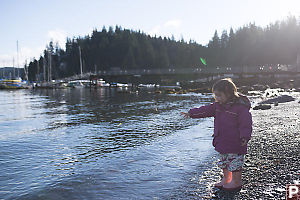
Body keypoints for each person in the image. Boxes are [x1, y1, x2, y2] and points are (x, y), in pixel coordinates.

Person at [181, 78, 252, 191]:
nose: (217, 98)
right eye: (215, 95)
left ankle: (236, 181)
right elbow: (204, 110)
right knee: (224, 162)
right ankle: (226, 179)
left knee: (235, 164)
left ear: (228, 93)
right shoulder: (217, 106)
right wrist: (191, 113)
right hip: (222, 140)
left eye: (219, 95)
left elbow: (246, 124)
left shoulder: (240, 108)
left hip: (236, 142)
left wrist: (245, 136)